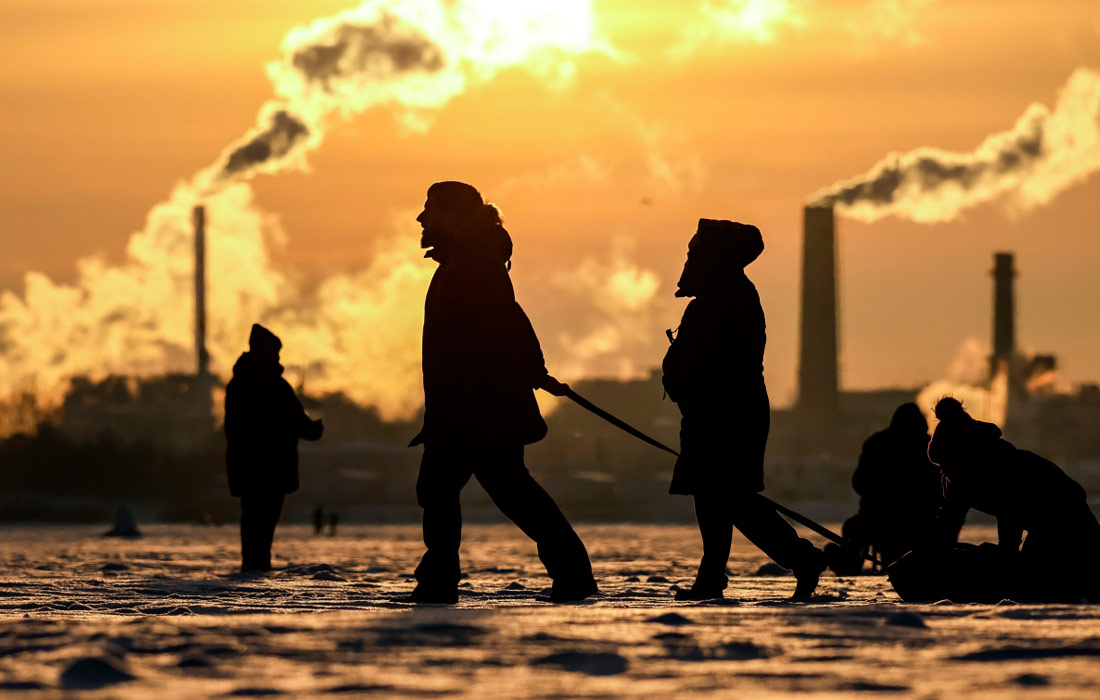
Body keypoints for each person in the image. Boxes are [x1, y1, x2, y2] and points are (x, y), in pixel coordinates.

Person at [408, 181, 597, 604]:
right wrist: (532, 371)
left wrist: (530, 371)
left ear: (452, 216)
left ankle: (440, 582)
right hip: (471, 405)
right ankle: (570, 573)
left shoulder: (470, 266)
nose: (421, 218)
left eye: (429, 209)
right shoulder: (468, 262)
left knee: (471, 489)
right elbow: (511, 322)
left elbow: (505, 324)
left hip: (475, 407)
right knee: (484, 489)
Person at [662, 219, 826, 601]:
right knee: (716, 497)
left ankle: (799, 559)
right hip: (718, 412)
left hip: (725, 415)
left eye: (695, 254)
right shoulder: (723, 296)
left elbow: (715, 362)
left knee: (729, 499)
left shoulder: (726, 299)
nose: (689, 261)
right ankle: (716, 575)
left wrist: (689, 385)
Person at [900, 397, 1100, 603]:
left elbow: (1011, 509)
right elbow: (950, 517)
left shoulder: (993, 463)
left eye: (946, 464)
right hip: (1041, 519)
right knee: (1033, 576)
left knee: (1051, 579)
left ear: (960, 456)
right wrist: (928, 546)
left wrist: (1007, 550)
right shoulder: (960, 473)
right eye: (940, 465)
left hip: (1064, 509)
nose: (944, 471)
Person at [224, 324, 324, 572]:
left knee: (251, 518)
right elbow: (298, 423)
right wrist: (315, 428)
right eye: (275, 353)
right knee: (265, 520)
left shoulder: (237, 384)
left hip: (245, 466)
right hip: (273, 468)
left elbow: (232, 429)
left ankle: (252, 565)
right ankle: (258, 565)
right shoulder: (275, 386)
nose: (278, 358)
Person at [827, 403, 944, 573]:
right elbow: (940, 487)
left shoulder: (876, 443)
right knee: (860, 532)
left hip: (878, 519)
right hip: (916, 521)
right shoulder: (930, 446)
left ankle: (854, 560)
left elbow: (859, 482)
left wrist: (880, 497)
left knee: (857, 533)